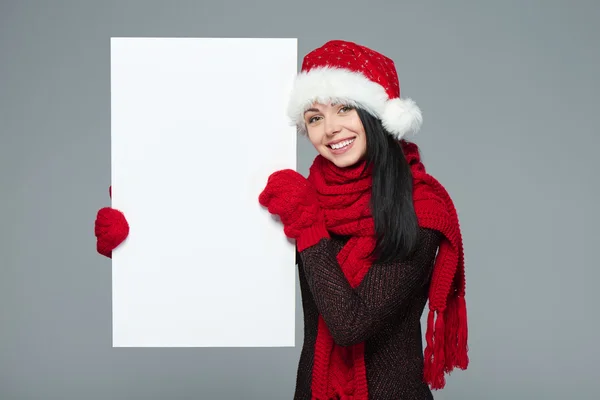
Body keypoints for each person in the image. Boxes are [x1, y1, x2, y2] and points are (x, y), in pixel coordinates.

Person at [95, 40, 469, 400]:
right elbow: (226, 266)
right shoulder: (308, 198)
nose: (330, 128)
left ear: (376, 115)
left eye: (344, 109)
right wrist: (138, 243)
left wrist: (307, 225)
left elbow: (351, 325)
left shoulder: (421, 210)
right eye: (315, 117)